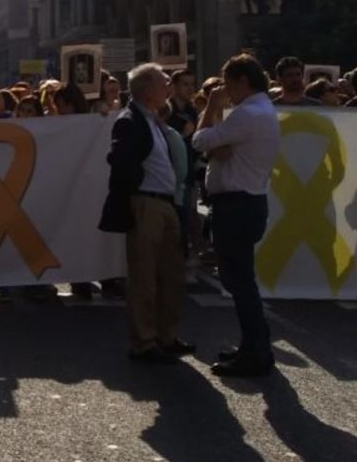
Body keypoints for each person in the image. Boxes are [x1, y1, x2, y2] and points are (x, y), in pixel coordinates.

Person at [192, 54, 280, 377]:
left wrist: (212, 108)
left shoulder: (248, 114)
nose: (225, 91)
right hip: (248, 203)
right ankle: (254, 344)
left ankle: (256, 351)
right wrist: (218, 147)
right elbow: (218, 148)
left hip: (237, 205)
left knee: (239, 281)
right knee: (241, 279)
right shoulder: (261, 110)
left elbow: (200, 140)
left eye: (228, 84)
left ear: (243, 80)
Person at [99, 64, 193, 364]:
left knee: (171, 275)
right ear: (148, 89)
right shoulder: (130, 121)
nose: (169, 87)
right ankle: (144, 340)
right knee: (144, 277)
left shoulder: (152, 120)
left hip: (165, 204)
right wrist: (132, 196)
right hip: (145, 204)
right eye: (165, 83)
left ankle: (166, 335)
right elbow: (120, 160)